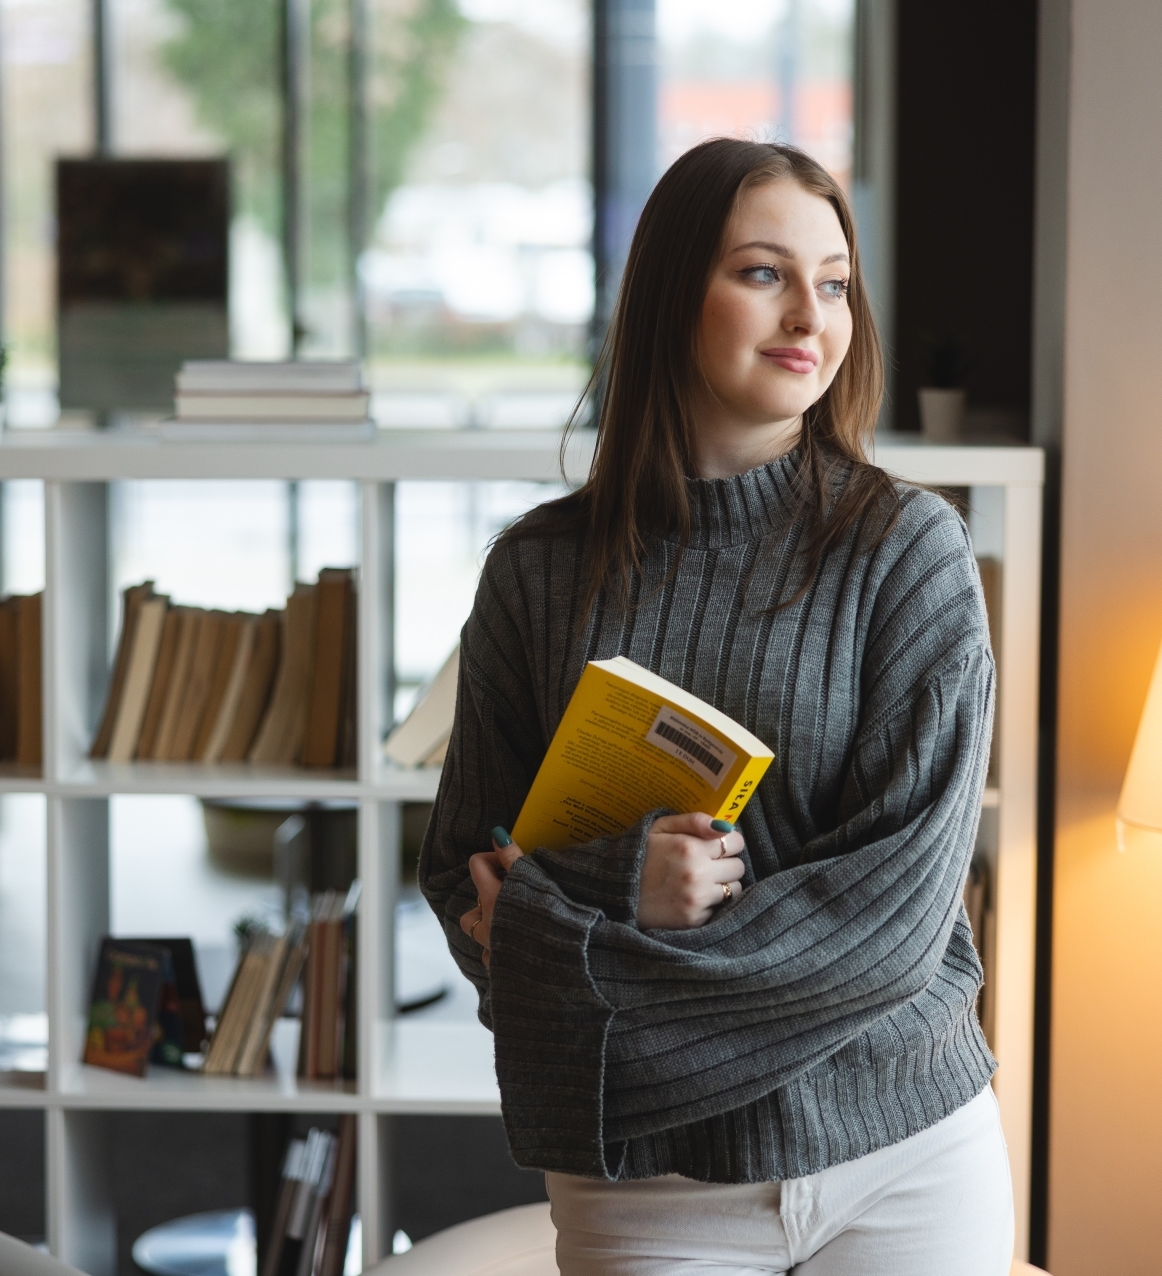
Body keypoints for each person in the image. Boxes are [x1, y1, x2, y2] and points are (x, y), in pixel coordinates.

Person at [417, 138, 1013, 1275]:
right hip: (647, 1185)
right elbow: (462, 877)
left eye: (832, 280)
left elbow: (888, 934)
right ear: (668, 294)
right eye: (760, 272)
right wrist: (619, 881)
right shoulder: (536, 572)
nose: (808, 313)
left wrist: (567, 962)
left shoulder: (908, 551)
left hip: (904, 1153)